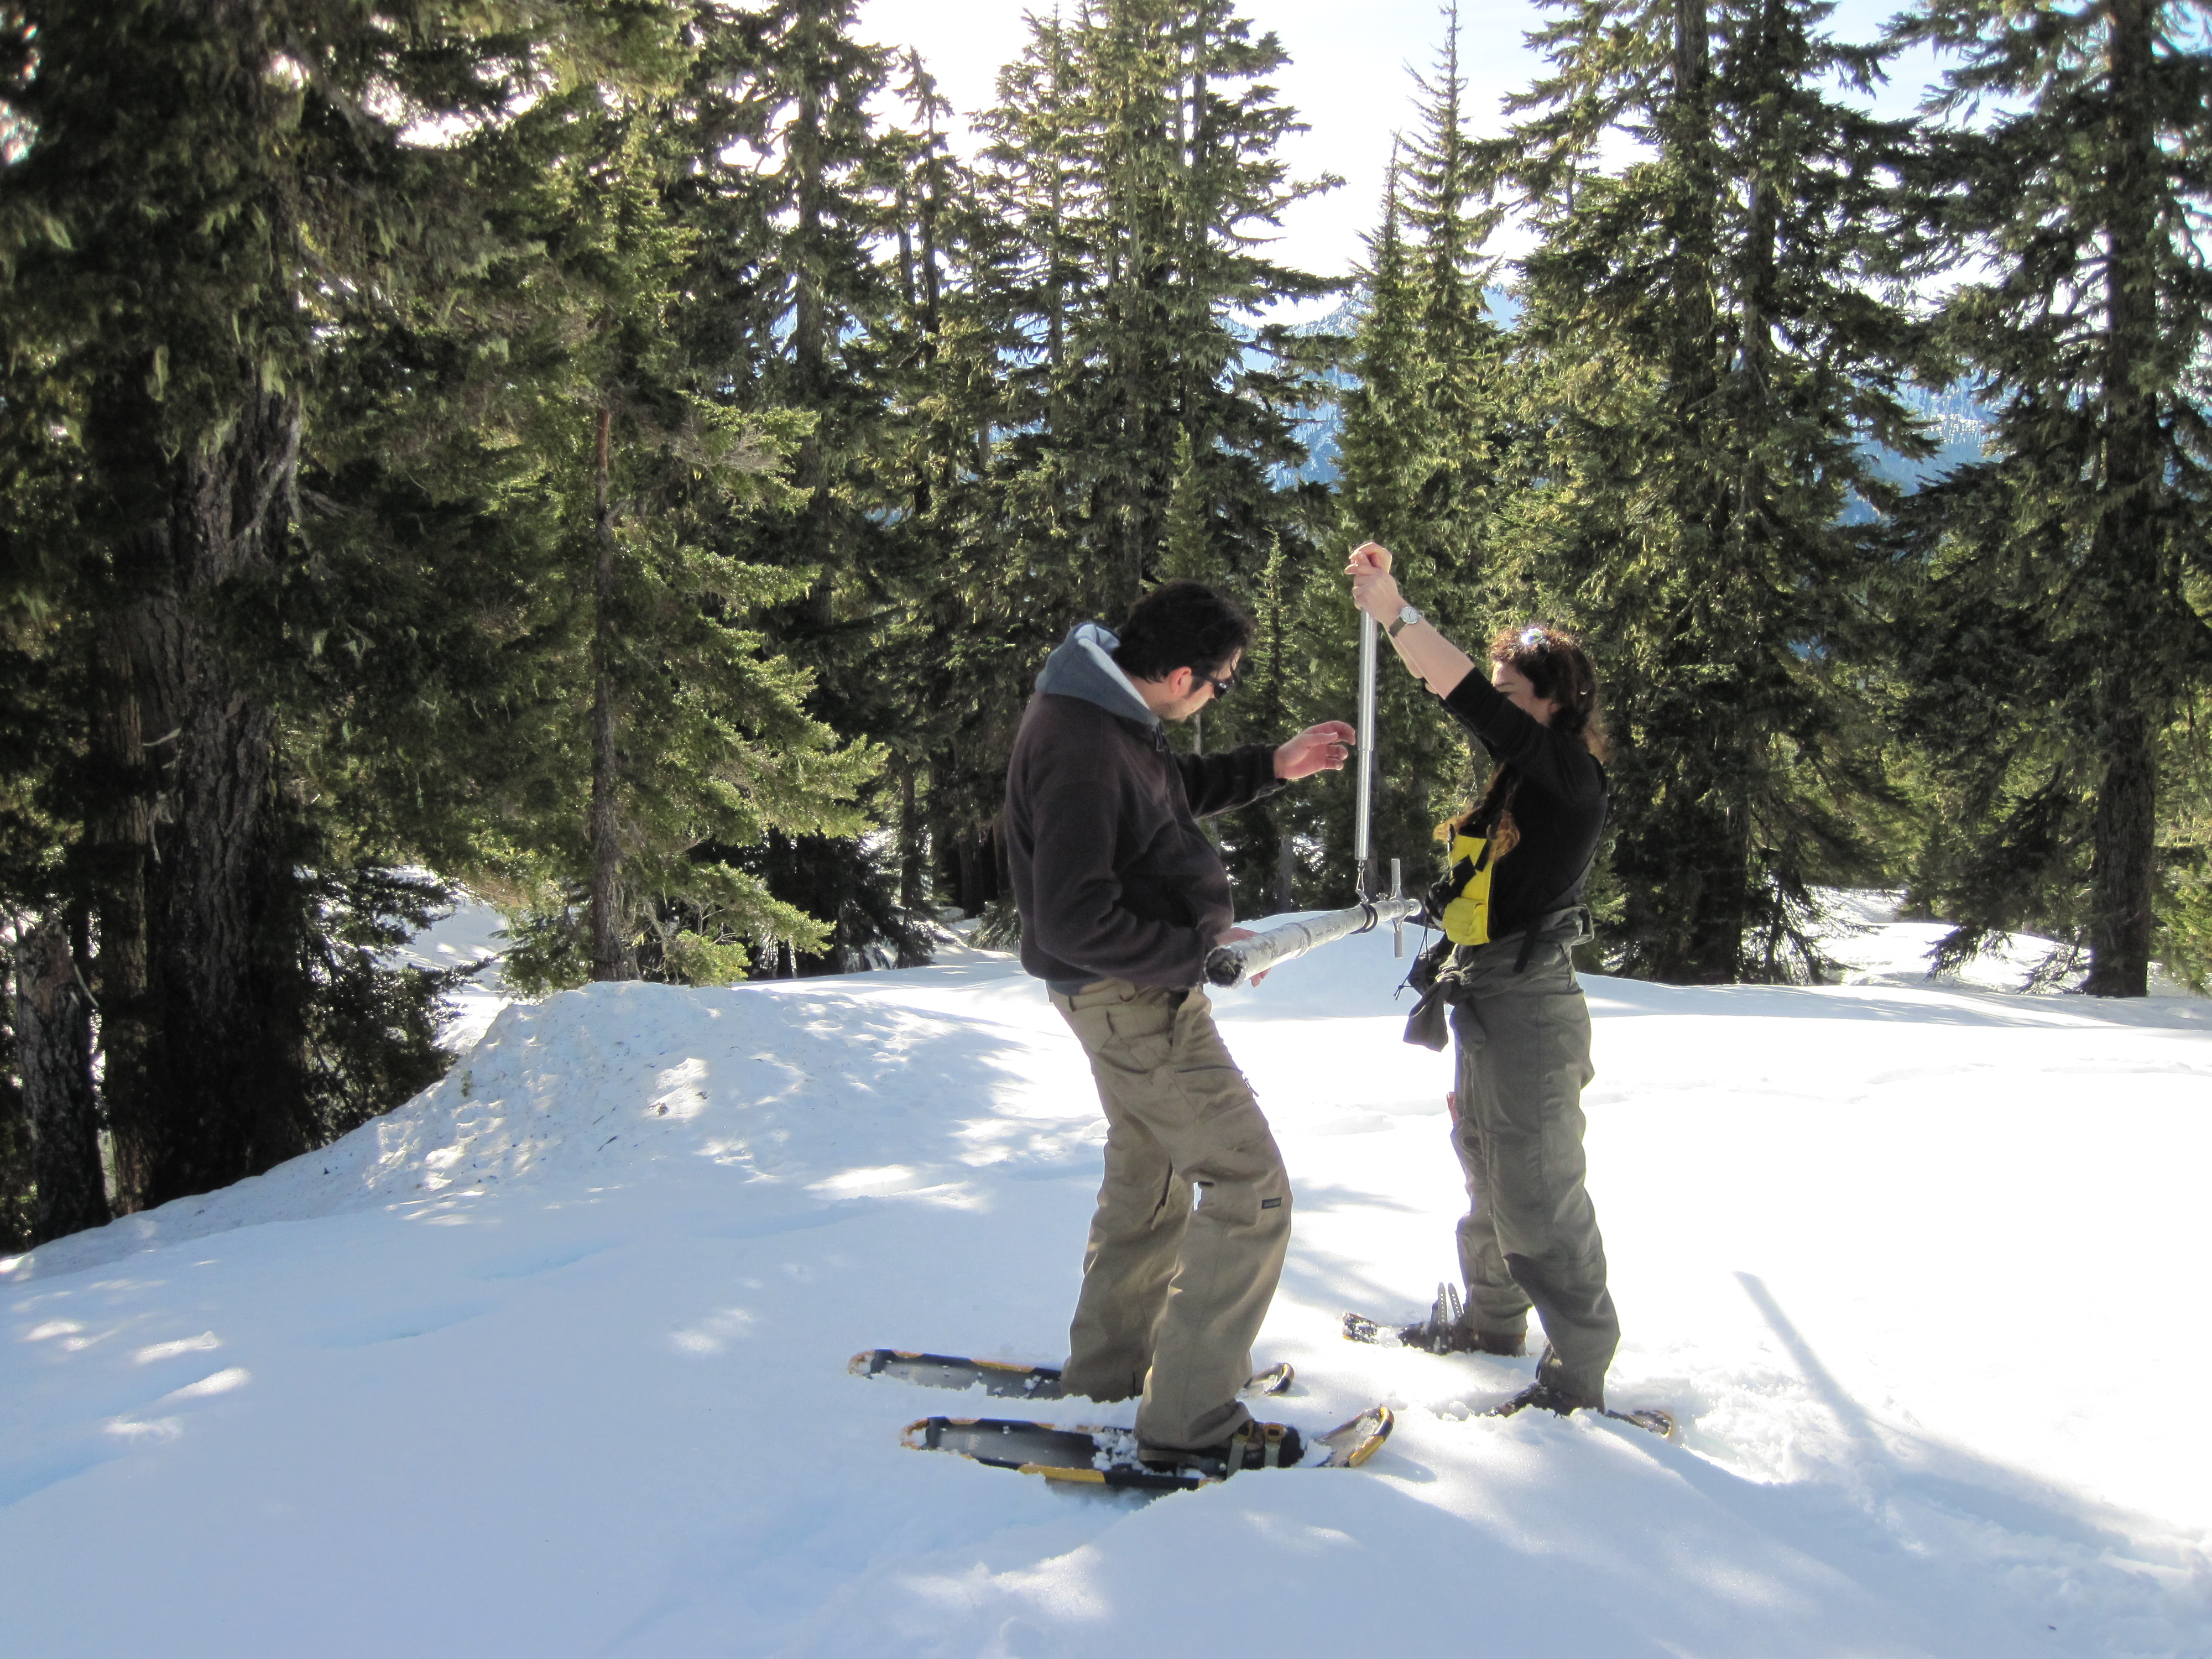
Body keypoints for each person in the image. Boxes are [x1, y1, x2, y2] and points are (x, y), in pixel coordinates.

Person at [1005, 580, 1356, 1470]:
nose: (1218, 697)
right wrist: (1198, 956)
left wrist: (1270, 766)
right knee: (1250, 1189)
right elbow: (1072, 920)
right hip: (1133, 1002)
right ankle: (1191, 1420)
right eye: (1223, 683)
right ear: (1182, 674)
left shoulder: (1104, 704)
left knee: (1151, 1177)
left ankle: (1113, 1373)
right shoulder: (1083, 745)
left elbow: (1159, 799)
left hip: (1128, 995)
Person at [1345, 541, 1621, 1416]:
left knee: (1538, 1191)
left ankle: (1579, 1371)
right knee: (1485, 1167)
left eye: (1512, 694)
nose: (1495, 709)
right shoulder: (1524, 783)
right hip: (1488, 999)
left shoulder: (1571, 777)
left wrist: (1396, 613)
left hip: (1533, 1008)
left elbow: (1457, 690)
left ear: (1554, 703)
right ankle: (1495, 1323)